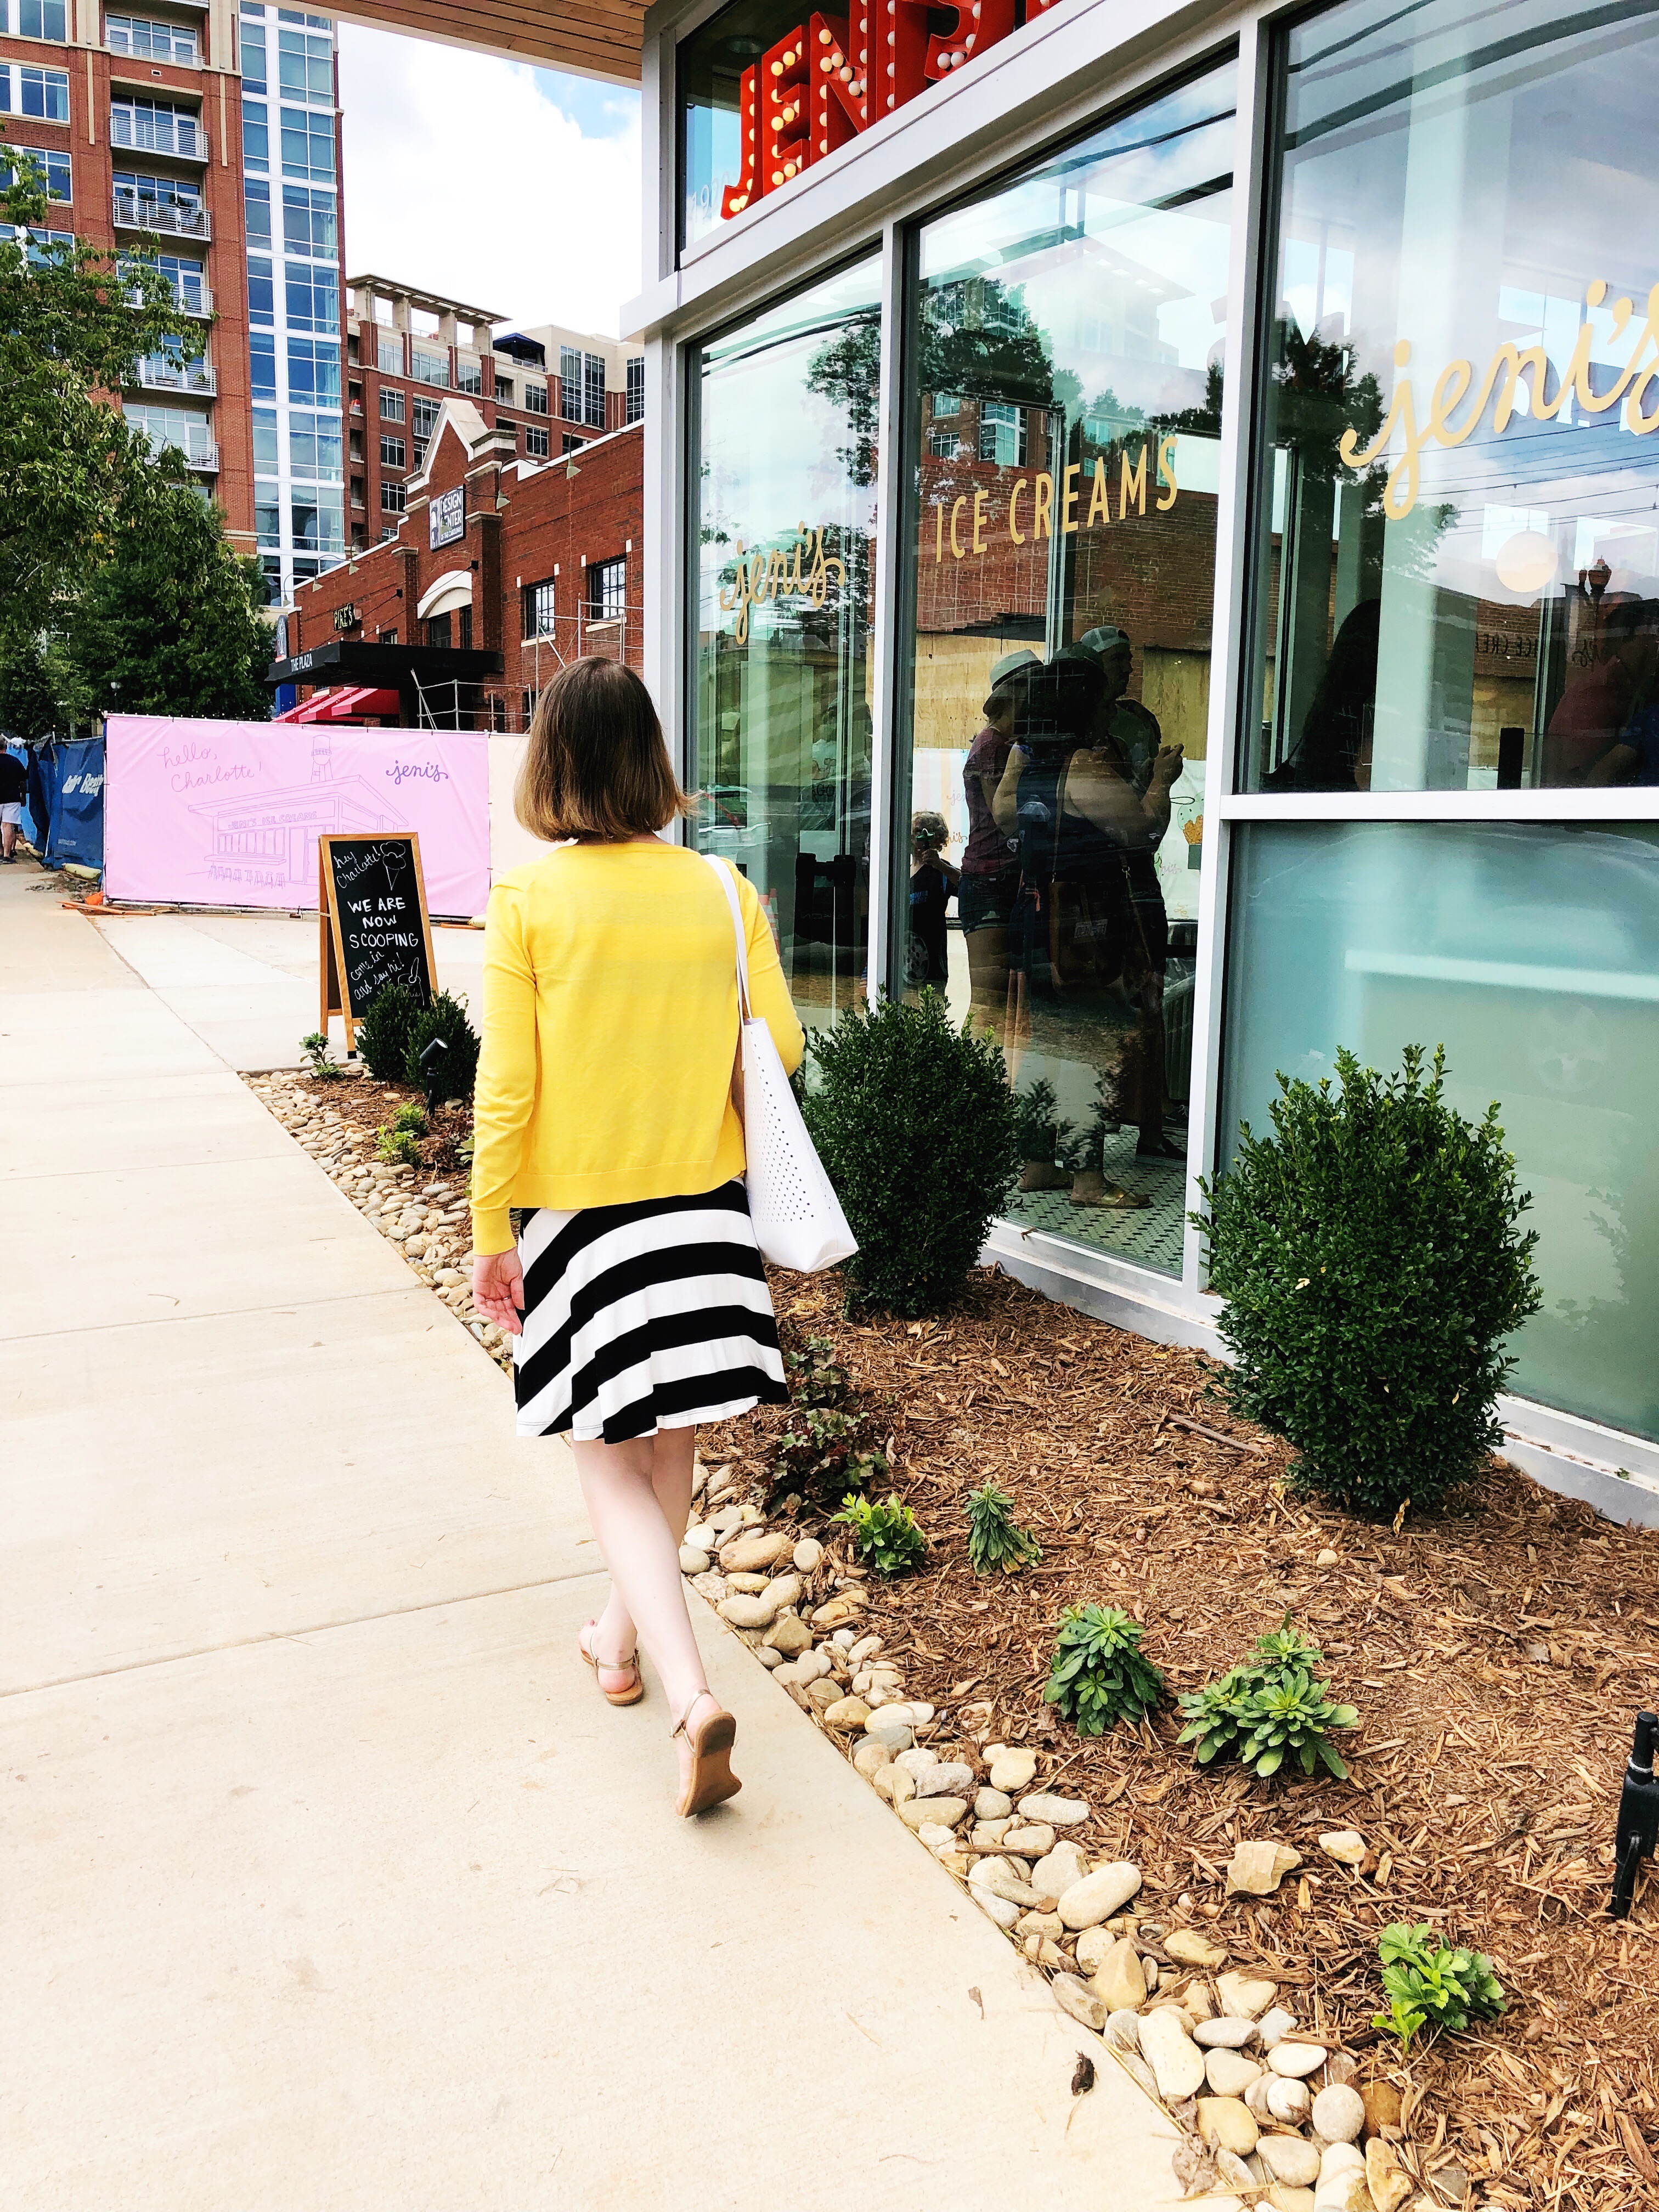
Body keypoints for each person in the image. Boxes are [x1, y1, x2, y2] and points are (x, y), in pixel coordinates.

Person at [469, 657, 804, 1819]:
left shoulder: (528, 901)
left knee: (607, 1454)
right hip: (705, 1210)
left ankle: (689, 1697)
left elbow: (507, 1086)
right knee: (667, 1448)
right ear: (650, 761)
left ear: (551, 763)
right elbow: (783, 1050)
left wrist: (491, 1227)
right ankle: (616, 1643)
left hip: (584, 1221)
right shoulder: (722, 888)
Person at [959, 648, 1037, 1036]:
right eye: (1033, 692)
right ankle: (965, 1071)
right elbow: (1003, 815)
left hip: (1002, 879)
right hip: (989, 880)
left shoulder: (1008, 742)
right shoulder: (994, 745)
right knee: (988, 1004)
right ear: (1014, 696)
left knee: (1000, 1006)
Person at [907, 810, 958, 984]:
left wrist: (940, 865)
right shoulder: (901, 872)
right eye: (911, 832)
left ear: (935, 839)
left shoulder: (940, 870)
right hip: (904, 961)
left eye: (919, 832)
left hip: (933, 963)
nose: (912, 837)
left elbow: (966, 886)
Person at [0, 746, 26, 862]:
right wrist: (23, 796)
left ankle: (0, 852)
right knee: (8, 826)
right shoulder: (15, 761)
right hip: (12, 798)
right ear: (5, 747)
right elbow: (23, 781)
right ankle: (7, 855)